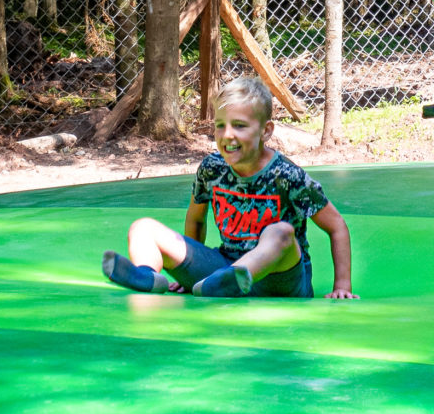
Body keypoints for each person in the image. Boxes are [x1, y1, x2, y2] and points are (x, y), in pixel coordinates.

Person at [102, 76, 357, 298]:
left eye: (239, 126)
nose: (227, 135)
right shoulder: (212, 168)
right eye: (220, 125)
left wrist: (342, 285)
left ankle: (234, 277)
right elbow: (196, 220)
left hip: (281, 281)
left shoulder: (287, 175)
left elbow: (336, 226)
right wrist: (187, 270)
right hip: (223, 272)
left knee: (281, 232)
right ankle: (148, 276)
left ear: (266, 131)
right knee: (143, 227)